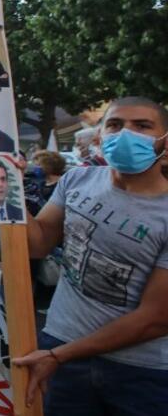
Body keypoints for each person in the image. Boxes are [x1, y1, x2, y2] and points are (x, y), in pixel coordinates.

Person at [12, 97, 168, 413]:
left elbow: (156, 319)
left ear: (163, 140)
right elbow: (38, 244)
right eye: (115, 125)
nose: (125, 134)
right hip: (60, 351)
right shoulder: (76, 180)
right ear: (100, 135)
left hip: (140, 372)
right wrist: (9, 189)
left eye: (142, 126)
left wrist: (59, 355)